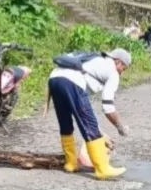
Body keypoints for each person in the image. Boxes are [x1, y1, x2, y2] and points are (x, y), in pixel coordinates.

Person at [42, 49, 132, 179]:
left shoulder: (93, 59)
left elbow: (84, 109)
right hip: (72, 81)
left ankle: (70, 164)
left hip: (54, 79)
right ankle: (102, 169)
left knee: (65, 122)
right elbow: (108, 107)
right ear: (118, 62)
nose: (122, 72)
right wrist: (120, 127)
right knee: (90, 125)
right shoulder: (112, 72)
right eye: (124, 68)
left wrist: (102, 133)